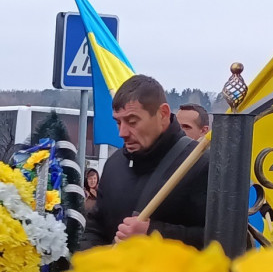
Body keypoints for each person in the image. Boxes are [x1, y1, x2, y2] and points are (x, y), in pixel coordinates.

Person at [79, 75, 207, 250]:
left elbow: (222, 240)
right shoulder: (113, 164)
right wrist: (90, 266)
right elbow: (95, 228)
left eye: (132, 121)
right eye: (118, 122)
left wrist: (153, 232)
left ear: (162, 114)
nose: (122, 133)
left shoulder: (201, 165)